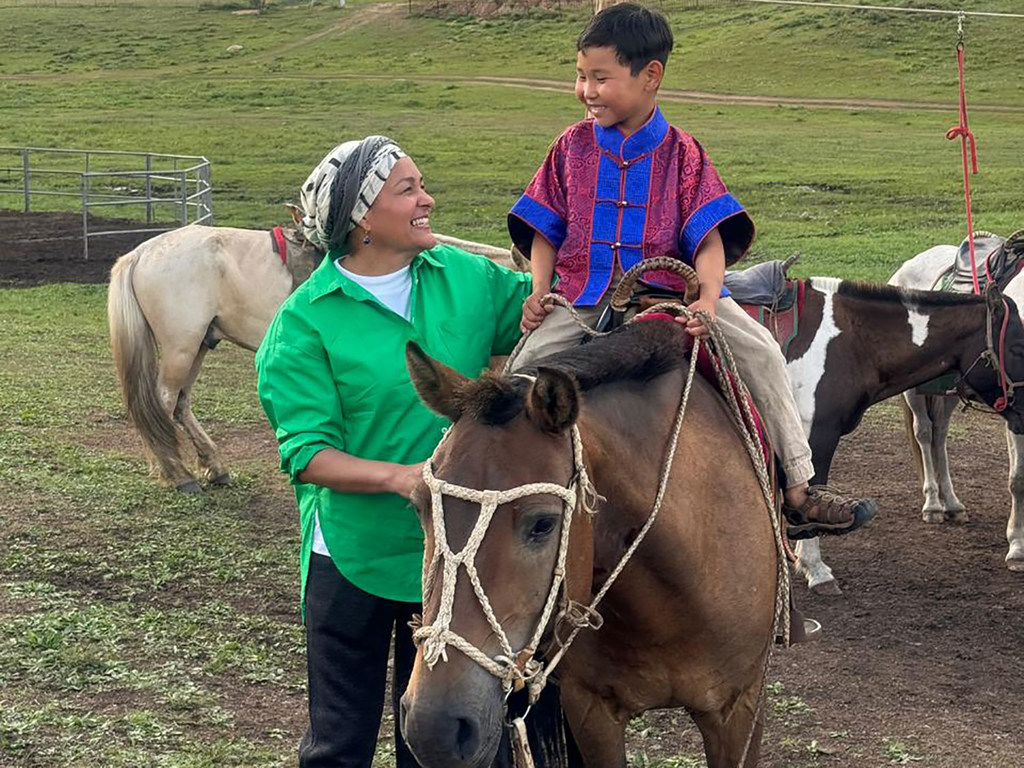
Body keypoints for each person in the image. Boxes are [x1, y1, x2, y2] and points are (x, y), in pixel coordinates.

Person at [507, 2, 876, 539]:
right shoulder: (570, 147)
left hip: (672, 294)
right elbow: (546, 229)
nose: (586, 90)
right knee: (521, 371)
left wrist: (706, 300)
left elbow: (708, 237)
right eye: (580, 76)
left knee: (761, 352)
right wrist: (540, 291)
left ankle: (797, 487)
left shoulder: (683, 153)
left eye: (600, 78)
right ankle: (478, 484)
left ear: (649, 76)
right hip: (582, 297)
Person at [255, 137, 532, 768]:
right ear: (360, 221)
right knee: (340, 745)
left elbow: (541, 312)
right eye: (407, 189)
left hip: (460, 557)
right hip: (353, 559)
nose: (427, 198)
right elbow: (308, 455)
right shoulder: (304, 323)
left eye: (421, 183)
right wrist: (405, 478)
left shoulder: (467, 277)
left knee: (445, 746)